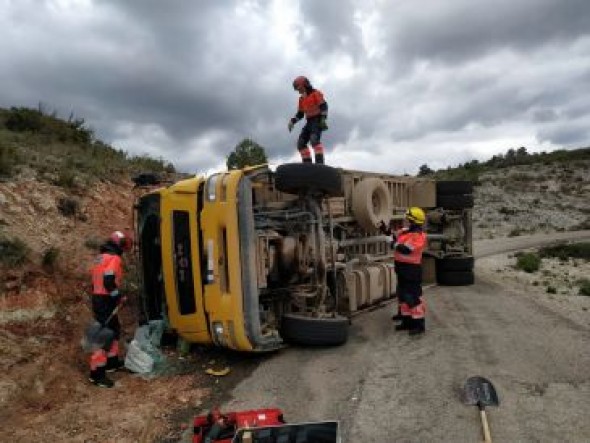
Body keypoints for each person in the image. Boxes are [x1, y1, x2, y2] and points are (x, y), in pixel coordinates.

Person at [88, 230, 132, 387]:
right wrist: (118, 297)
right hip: (105, 300)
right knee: (103, 334)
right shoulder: (114, 258)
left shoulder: (100, 258)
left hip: (98, 298)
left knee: (113, 330)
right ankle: (97, 374)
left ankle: (112, 363)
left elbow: (96, 281)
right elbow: (108, 281)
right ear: (119, 245)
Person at [380, 207, 427, 335]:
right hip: (401, 268)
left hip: (412, 270)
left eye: (407, 219)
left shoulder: (419, 236)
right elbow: (394, 236)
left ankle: (418, 324)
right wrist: (385, 230)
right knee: (403, 295)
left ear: (413, 221)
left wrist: (392, 243)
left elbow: (405, 249)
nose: (405, 221)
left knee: (413, 296)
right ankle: (407, 320)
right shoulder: (405, 232)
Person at [288, 75, 329, 164]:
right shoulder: (302, 99)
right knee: (301, 144)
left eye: (299, 88)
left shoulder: (316, 93)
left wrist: (323, 118)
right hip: (309, 122)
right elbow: (300, 114)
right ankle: (307, 165)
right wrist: (292, 121)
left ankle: (319, 164)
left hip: (317, 120)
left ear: (304, 85)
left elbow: (324, 106)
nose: (298, 91)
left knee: (314, 140)